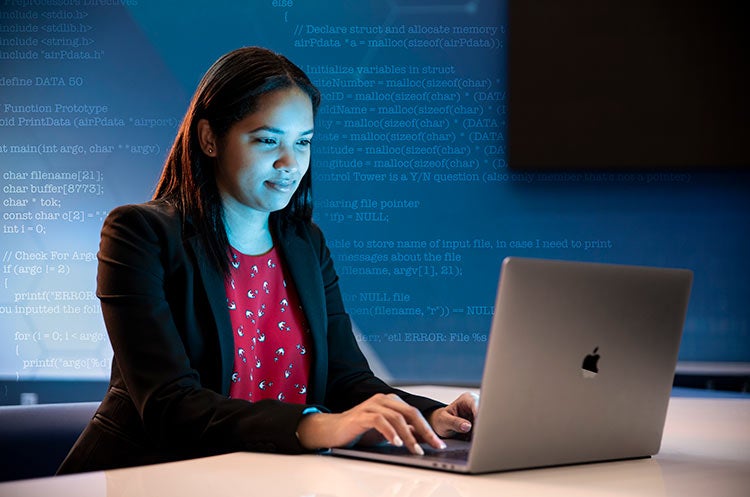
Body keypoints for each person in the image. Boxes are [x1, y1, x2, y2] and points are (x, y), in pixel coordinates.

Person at [57, 46, 478, 474]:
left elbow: (345, 380)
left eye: (303, 142)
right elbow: (171, 406)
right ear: (209, 138)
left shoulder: (304, 243)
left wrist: (433, 417)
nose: (290, 163)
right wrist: (315, 427)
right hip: (149, 477)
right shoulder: (139, 234)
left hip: (268, 477)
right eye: (268, 140)